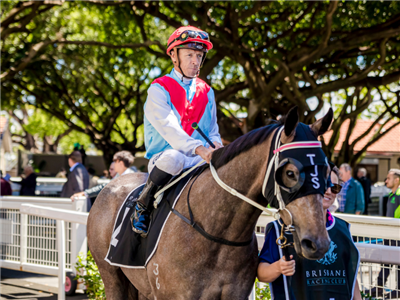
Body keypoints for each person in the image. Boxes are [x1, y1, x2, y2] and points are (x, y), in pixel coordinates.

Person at [130, 26, 223, 237]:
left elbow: (213, 130)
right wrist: (199, 149)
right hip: (165, 160)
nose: (195, 61)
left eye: (199, 55)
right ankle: (143, 204)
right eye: (189, 54)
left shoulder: (207, 92)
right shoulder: (158, 89)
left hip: (198, 159)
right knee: (174, 158)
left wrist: (216, 146)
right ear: (174, 55)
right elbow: (170, 129)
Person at [257, 166, 362, 300]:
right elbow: (261, 273)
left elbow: (350, 278)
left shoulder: (343, 228)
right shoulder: (282, 229)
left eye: (335, 187)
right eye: (325, 185)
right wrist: (278, 267)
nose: (329, 191)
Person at [365, 169, 400, 298]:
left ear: (397, 180)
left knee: (396, 263)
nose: (385, 181)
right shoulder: (392, 194)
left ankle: (397, 289)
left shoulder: (399, 194)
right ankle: (379, 288)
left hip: (397, 234)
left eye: (388, 178)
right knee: (386, 263)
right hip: (390, 234)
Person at [71, 151, 135, 206]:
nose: (114, 164)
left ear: (120, 163)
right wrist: (85, 193)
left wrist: (84, 193)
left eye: (115, 162)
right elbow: (105, 186)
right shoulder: (119, 175)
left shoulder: (132, 177)